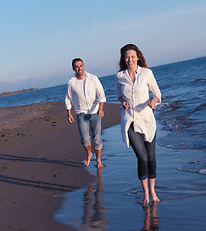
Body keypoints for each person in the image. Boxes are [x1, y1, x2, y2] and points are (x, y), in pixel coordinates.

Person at [115, 44, 162, 205]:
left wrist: (153, 102)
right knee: (142, 157)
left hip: (148, 121)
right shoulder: (120, 76)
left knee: (151, 158)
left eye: (132, 56)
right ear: (123, 59)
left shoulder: (147, 73)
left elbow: (157, 93)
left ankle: (153, 190)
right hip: (130, 122)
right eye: (127, 57)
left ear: (138, 57)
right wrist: (123, 102)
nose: (130, 60)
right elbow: (118, 94)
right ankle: (146, 194)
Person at [65, 58, 106, 168]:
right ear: (73, 68)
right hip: (81, 113)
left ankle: (98, 161)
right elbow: (68, 98)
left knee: (97, 139)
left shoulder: (93, 78)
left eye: (81, 66)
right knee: (85, 139)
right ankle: (89, 153)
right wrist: (69, 113)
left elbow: (101, 94)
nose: (79, 68)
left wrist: (101, 108)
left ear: (84, 66)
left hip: (95, 112)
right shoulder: (71, 82)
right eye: (77, 67)